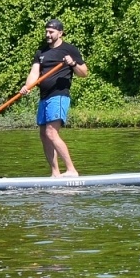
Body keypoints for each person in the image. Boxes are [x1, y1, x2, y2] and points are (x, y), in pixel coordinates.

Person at [20, 18, 89, 177]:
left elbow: (84, 73)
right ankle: (55, 173)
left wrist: (72, 64)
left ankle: (71, 170)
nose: (48, 34)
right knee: (44, 135)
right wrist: (27, 86)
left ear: (60, 32)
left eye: (51, 32)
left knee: (51, 132)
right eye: (46, 31)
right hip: (44, 97)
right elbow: (34, 73)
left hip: (58, 96)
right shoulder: (41, 52)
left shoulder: (69, 50)